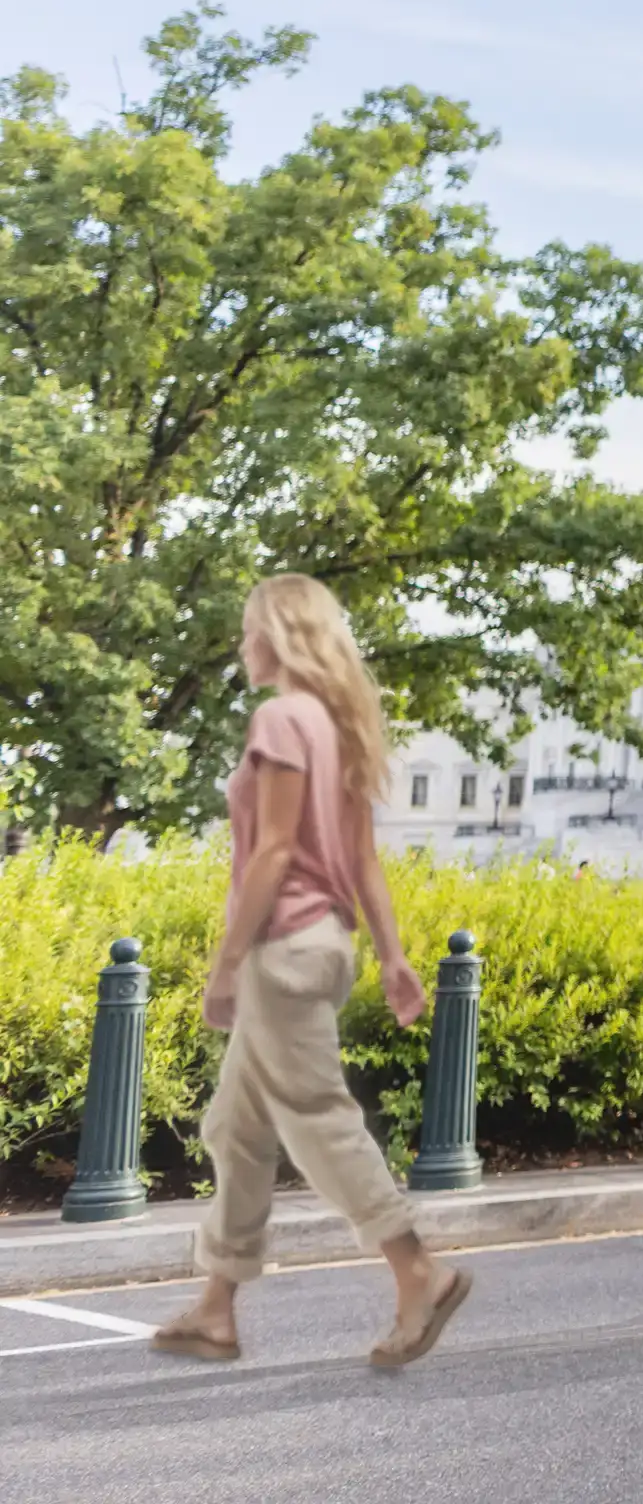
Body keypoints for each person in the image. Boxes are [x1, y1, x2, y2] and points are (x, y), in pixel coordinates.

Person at [150, 574, 473, 1368]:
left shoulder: (283, 719)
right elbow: (361, 859)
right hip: (324, 943)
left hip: (281, 948)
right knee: (236, 1125)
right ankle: (218, 1306)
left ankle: (417, 1270)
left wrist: (226, 963)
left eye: (248, 630)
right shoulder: (339, 726)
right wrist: (394, 957)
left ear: (280, 635)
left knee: (320, 1117)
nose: (242, 645)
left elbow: (273, 850)